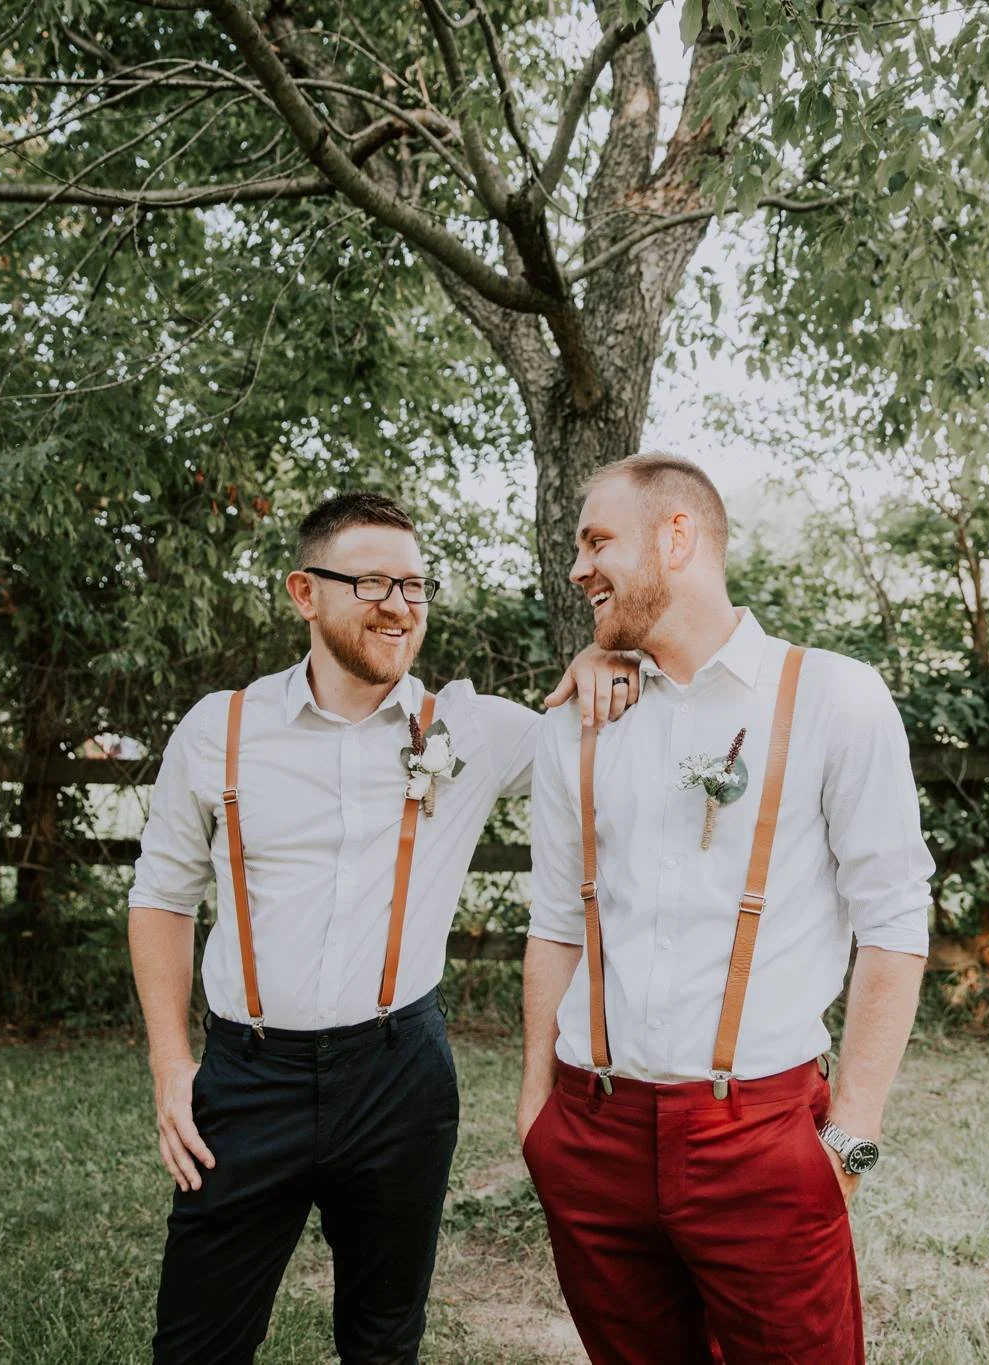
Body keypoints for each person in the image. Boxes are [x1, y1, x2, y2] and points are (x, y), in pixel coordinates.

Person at [126, 490, 638, 1365]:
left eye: (415, 584)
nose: (400, 605)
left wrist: (608, 654)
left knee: (384, 1340)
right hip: (247, 1080)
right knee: (195, 1344)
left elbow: (607, 723)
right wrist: (174, 1065)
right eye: (371, 582)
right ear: (303, 592)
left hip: (400, 1077)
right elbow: (161, 899)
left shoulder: (469, 728)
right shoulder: (221, 729)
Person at [517, 453, 934, 1363]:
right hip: (592, 1134)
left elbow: (896, 923)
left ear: (678, 537)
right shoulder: (576, 722)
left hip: (763, 1138)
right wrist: (536, 1116)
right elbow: (555, 920)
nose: (578, 567)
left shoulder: (833, 696)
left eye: (597, 542)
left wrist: (851, 1137)